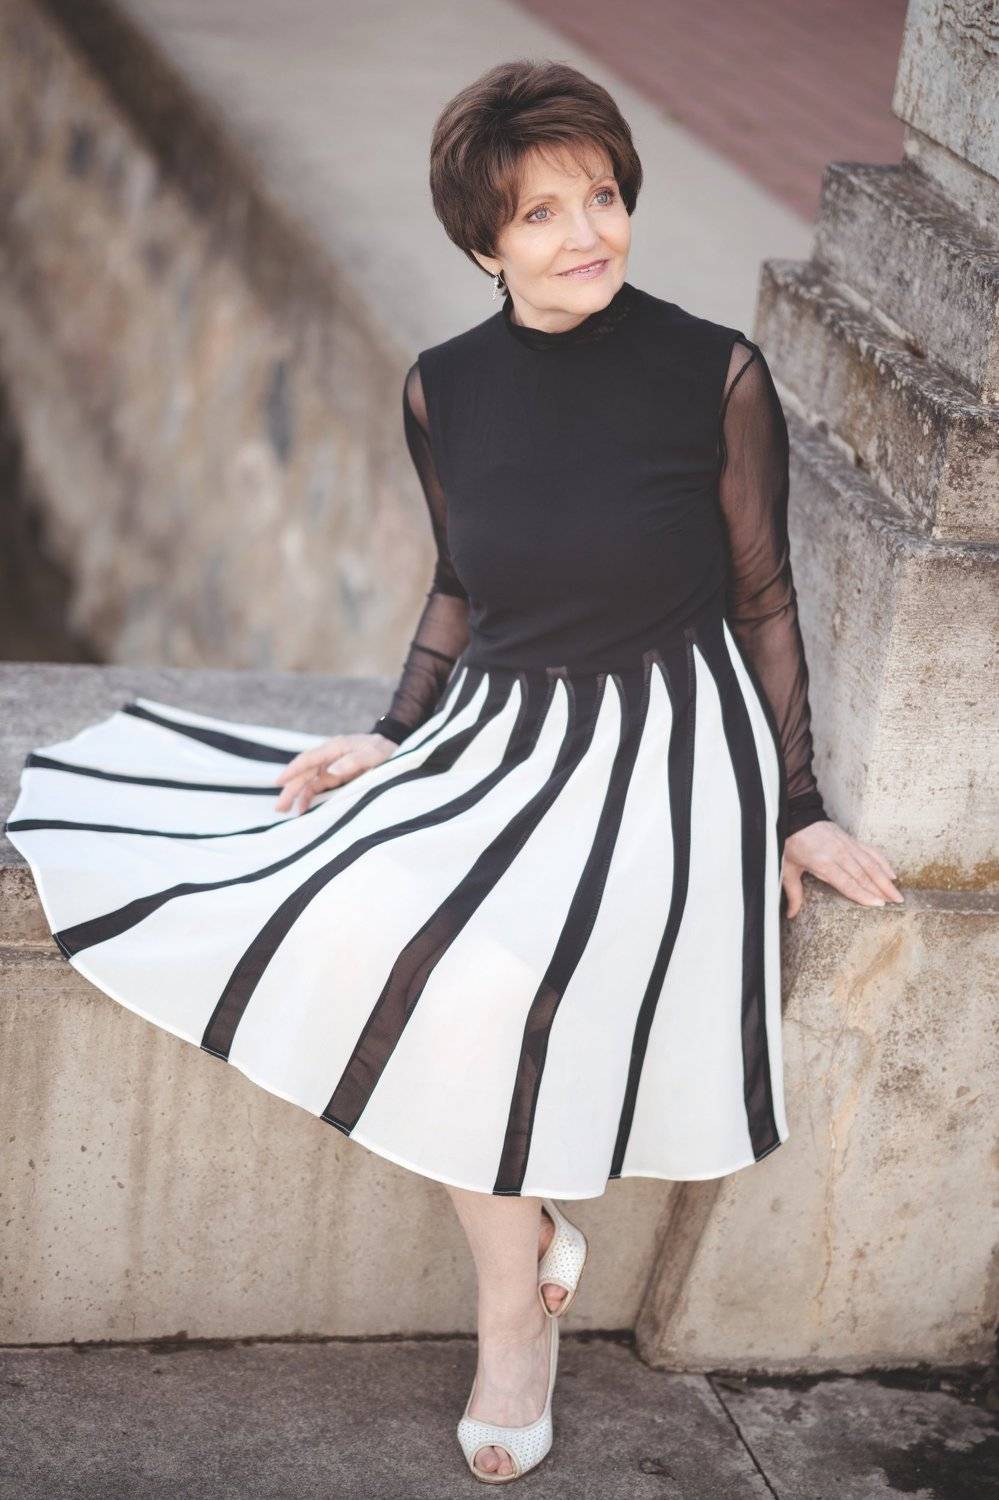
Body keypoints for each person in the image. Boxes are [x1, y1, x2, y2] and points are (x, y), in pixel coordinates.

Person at [4, 58, 904, 1487]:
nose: (587, 233)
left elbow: (765, 597)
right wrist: (392, 730)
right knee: (348, 901)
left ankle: (510, 1324)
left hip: (667, 741)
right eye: (541, 213)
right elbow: (457, 585)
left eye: (601, 195)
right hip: (497, 726)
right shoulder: (444, 389)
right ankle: (530, 1249)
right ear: (484, 242)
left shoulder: (716, 373)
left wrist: (795, 810)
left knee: (478, 977)